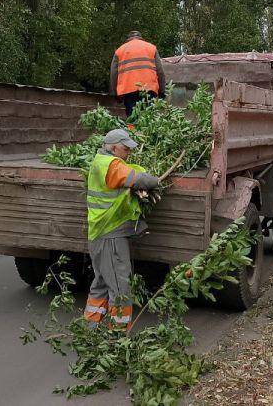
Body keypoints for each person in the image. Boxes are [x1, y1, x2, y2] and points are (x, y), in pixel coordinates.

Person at [84, 128, 160, 330]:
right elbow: (139, 180)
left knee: (101, 284)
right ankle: (118, 337)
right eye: (126, 149)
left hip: (100, 233)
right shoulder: (111, 165)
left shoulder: (101, 161)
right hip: (110, 234)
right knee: (120, 287)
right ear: (114, 147)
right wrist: (156, 181)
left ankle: (91, 330)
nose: (129, 152)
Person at [110, 31, 167, 117]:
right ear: (141, 37)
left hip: (128, 90)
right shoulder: (151, 48)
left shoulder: (120, 51)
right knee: (149, 119)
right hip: (149, 89)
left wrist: (115, 94)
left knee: (132, 119)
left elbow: (113, 74)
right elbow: (160, 71)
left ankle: (132, 130)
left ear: (128, 39)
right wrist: (162, 91)